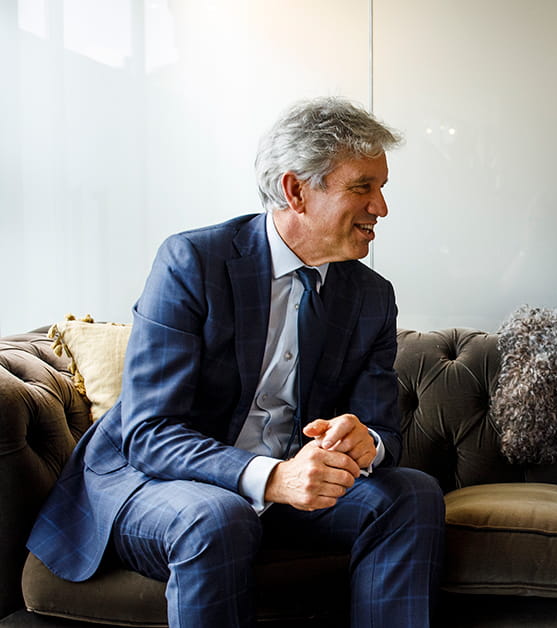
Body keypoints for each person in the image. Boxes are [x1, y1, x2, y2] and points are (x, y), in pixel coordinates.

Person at [26, 97, 445, 627]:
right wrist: (273, 478)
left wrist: (369, 443)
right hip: (154, 484)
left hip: (289, 490)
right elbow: (150, 433)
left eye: (382, 188)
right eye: (362, 187)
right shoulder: (193, 262)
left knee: (411, 494)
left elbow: (383, 427)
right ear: (296, 191)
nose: (380, 208)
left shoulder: (370, 296)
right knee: (217, 517)